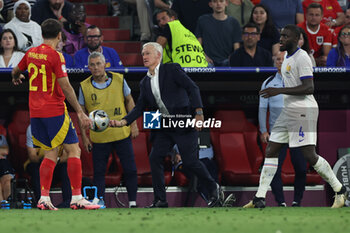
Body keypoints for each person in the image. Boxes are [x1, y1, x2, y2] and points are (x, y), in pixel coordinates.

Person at [243, 24, 347, 209]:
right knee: (271, 150)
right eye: (280, 35)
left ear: (295, 39)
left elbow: (309, 87)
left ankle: (339, 189)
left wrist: (279, 90)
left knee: (309, 154)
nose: (280, 39)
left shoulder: (302, 57)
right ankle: (259, 197)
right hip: (288, 110)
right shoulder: (288, 58)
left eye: (284, 36)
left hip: (303, 109)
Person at [109, 42, 223, 208]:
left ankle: (213, 186)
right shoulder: (144, 83)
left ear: (158, 55)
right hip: (165, 126)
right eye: (142, 54)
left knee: (191, 161)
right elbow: (140, 107)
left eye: (147, 53)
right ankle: (160, 200)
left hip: (184, 122)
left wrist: (199, 113)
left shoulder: (172, 69)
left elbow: (193, 88)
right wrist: (123, 121)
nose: (144, 57)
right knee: (155, 158)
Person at [11, 18, 100, 210]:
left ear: (42, 34)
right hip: (55, 111)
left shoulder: (31, 52)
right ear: (59, 35)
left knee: (50, 153)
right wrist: (80, 112)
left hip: (35, 114)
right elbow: (66, 86)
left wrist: (17, 76)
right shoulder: (56, 56)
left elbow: (15, 70)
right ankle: (77, 198)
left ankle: (44, 198)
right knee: (73, 150)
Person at [78, 52, 138, 208]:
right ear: (89, 67)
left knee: (130, 169)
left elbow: (130, 101)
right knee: (99, 172)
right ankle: (99, 200)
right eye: (92, 64)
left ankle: (133, 202)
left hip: (121, 133)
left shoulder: (119, 80)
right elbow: (81, 114)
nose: (96, 67)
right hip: (99, 138)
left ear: (105, 65)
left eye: (99, 63)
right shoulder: (84, 86)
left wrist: (134, 124)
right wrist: (84, 138)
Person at [259, 51, 307, 207]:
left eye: (284, 59)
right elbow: (262, 108)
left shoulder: (298, 82)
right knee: (274, 169)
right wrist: (263, 130)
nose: (281, 62)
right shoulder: (268, 83)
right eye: (278, 59)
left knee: (300, 167)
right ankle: (280, 202)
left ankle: (297, 201)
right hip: (277, 133)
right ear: (275, 62)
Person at [25, 124, 72, 208]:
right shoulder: (32, 128)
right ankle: (42, 202)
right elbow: (32, 156)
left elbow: (66, 155)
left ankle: (68, 202)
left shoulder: (61, 126)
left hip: (56, 163)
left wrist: (53, 161)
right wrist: (46, 161)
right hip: (39, 163)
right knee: (35, 168)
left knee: (66, 167)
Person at [196, 0, 241, 66]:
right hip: (207, 61)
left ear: (226, 3)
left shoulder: (234, 22)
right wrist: (204, 56)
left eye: (221, 1)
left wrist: (232, 58)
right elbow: (198, 44)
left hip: (227, 61)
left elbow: (236, 48)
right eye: (215, 1)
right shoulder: (202, 20)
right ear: (210, 4)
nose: (218, 4)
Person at [0, 127, 14, 202]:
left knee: (7, 180)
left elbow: (6, 151)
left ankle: (8, 204)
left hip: (2, 163)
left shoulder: (1, 137)